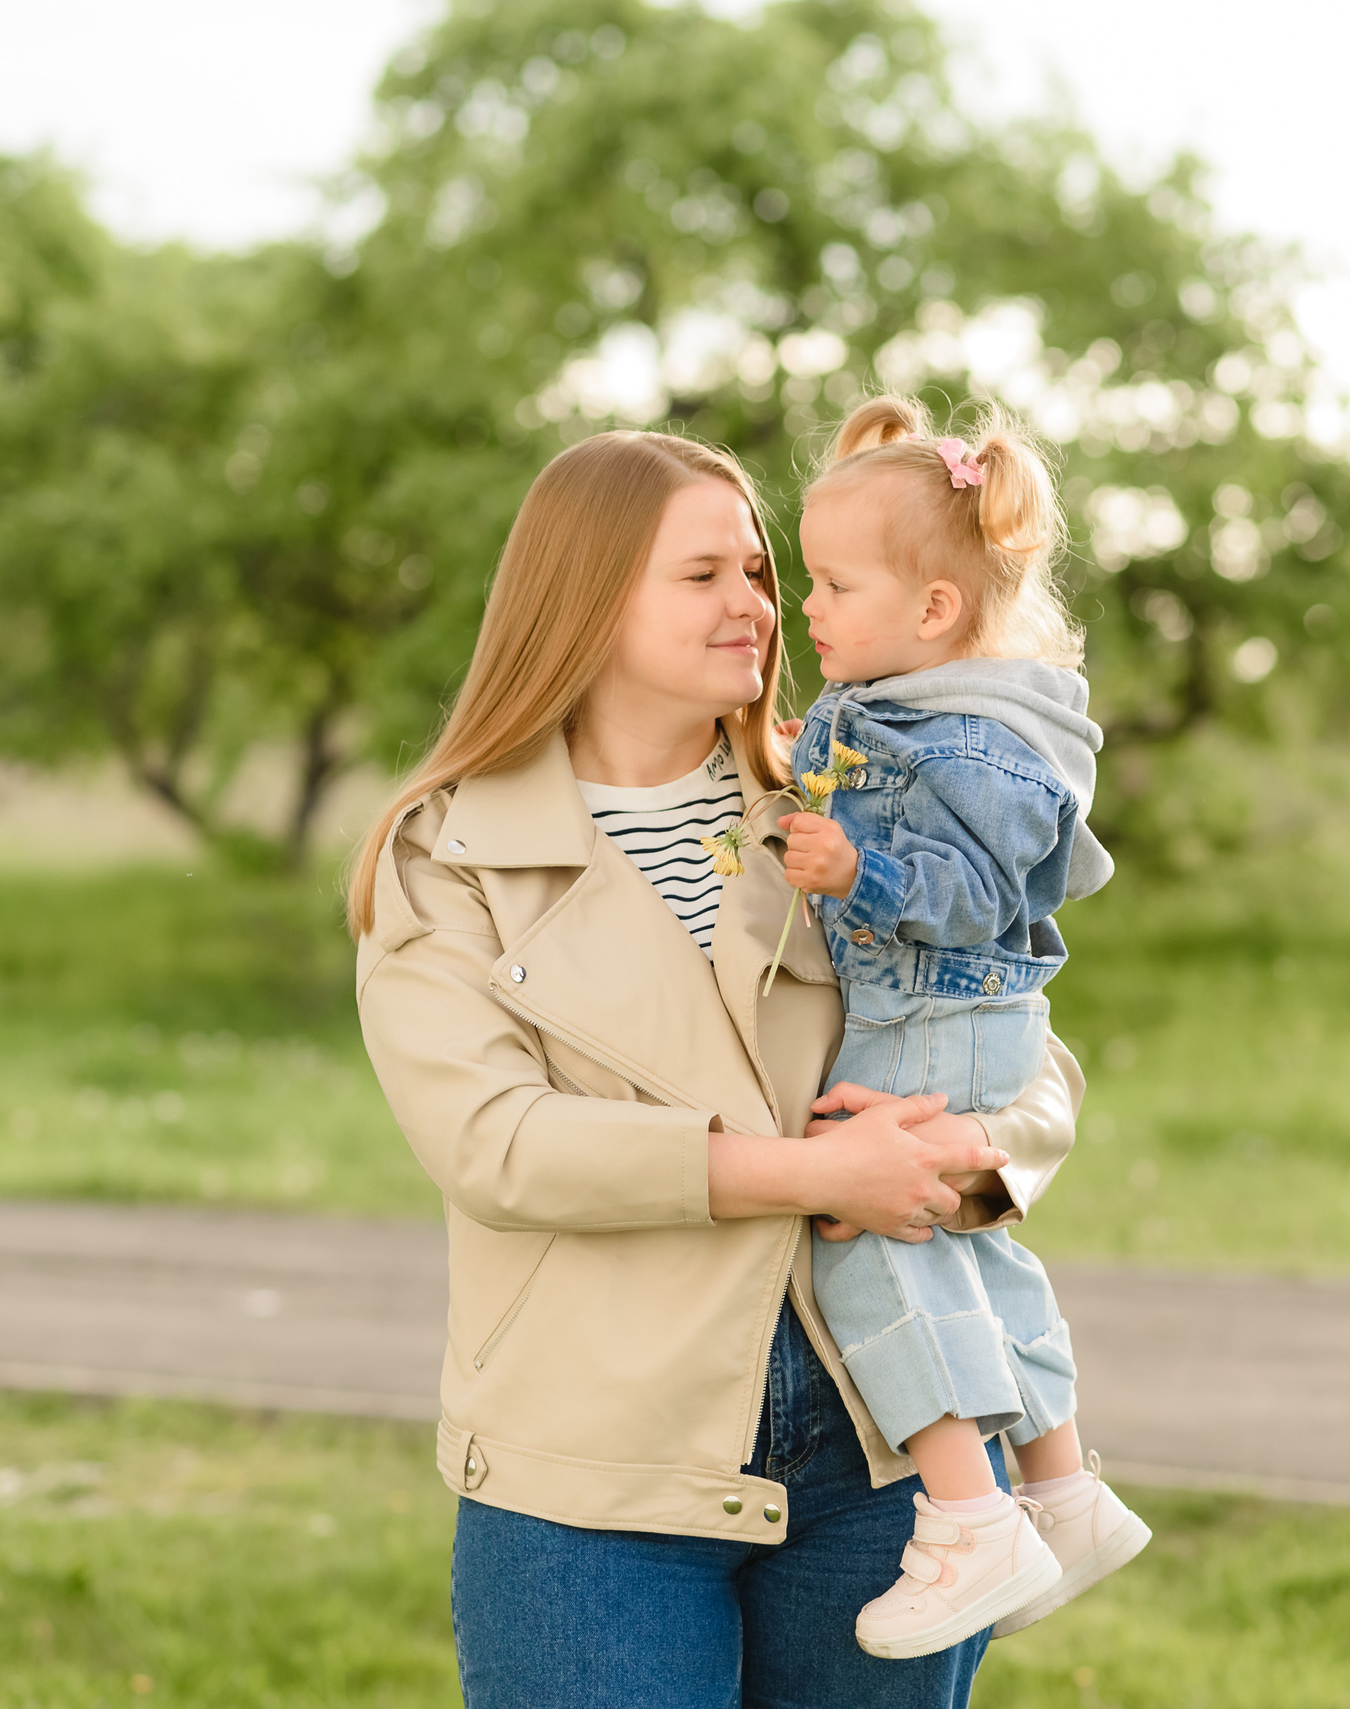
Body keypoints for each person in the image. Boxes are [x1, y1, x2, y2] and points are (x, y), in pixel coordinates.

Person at [346, 427, 1087, 1709]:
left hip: (881, 1446)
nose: (756, 603)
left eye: (758, 568)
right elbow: (495, 1144)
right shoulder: (444, 852)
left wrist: (976, 1160)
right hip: (593, 1469)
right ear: (583, 595)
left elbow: (1018, 1033)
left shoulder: (838, 797)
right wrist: (812, 1170)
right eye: (703, 576)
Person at [773, 396, 1150, 1660]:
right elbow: (844, 768)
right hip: (965, 1024)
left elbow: (978, 895)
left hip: (933, 1020)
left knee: (875, 1242)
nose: (805, 609)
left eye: (831, 584)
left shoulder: (984, 743)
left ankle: (968, 1514)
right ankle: (1060, 1486)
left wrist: (854, 872)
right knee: (977, 1256)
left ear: (932, 612)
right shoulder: (908, 700)